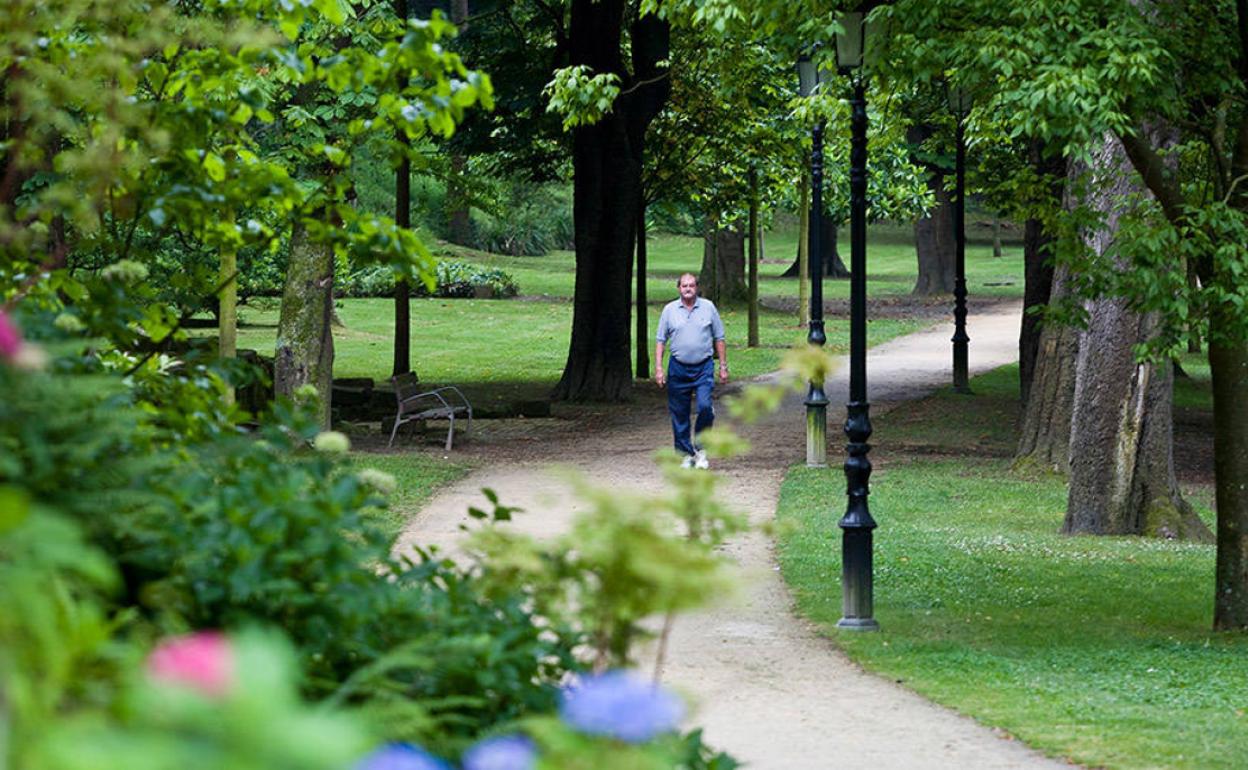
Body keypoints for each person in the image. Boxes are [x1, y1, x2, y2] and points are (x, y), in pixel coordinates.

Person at [654, 272, 728, 469]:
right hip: (678, 367)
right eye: (684, 286)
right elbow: (661, 340)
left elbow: (719, 337)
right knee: (679, 412)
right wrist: (659, 368)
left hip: (703, 366)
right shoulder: (669, 310)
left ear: (697, 288)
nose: (688, 289)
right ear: (679, 288)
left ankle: (701, 450)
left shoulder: (708, 308)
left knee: (705, 407)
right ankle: (686, 454)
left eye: (691, 285)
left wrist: (723, 366)